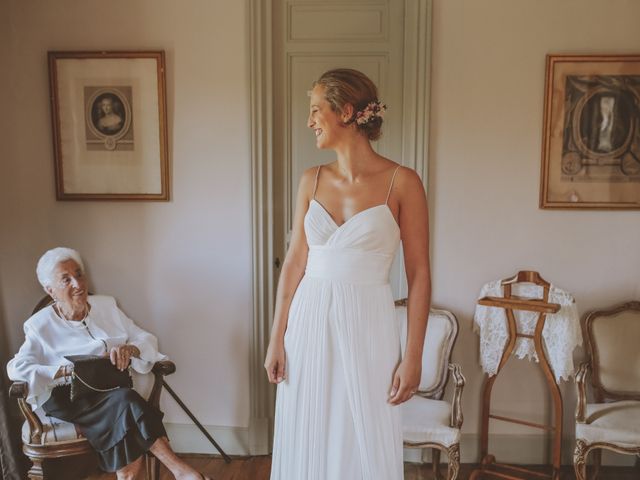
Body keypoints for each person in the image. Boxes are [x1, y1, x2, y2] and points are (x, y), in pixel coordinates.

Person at [264, 69, 431, 479]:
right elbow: (294, 264)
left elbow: (420, 273)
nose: (310, 121)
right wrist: (276, 339)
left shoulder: (403, 182)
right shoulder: (311, 180)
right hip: (308, 324)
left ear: (347, 112)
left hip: (368, 324)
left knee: (363, 435)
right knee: (309, 431)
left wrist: (413, 358)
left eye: (316, 109)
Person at [7, 247, 211, 480]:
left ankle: (132, 475)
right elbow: (16, 368)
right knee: (126, 400)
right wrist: (66, 371)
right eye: (66, 279)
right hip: (68, 397)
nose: (77, 283)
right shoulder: (39, 324)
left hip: (108, 391)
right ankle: (181, 471)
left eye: (79, 274)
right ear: (50, 290)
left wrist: (130, 349)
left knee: (123, 403)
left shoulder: (106, 306)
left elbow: (143, 337)